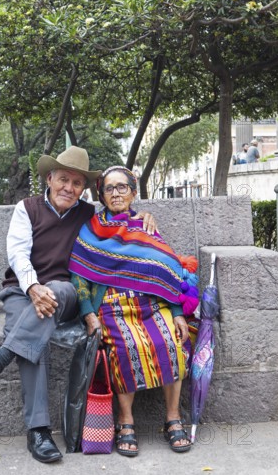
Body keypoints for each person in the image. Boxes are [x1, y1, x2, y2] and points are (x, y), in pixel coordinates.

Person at [0, 147, 156, 464]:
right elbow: (18, 254)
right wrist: (33, 286)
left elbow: (121, 225)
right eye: (63, 179)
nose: (69, 187)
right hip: (22, 292)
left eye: (77, 183)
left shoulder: (89, 215)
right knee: (33, 339)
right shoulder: (27, 208)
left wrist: (144, 217)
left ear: (83, 189)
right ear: (50, 179)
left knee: (58, 289)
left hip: (66, 294)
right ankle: (39, 432)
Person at [69, 166, 200, 457]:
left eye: (122, 187)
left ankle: (172, 418)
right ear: (100, 195)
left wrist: (177, 311)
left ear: (133, 191)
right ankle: (125, 420)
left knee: (173, 341)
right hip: (112, 306)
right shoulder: (90, 229)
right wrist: (89, 313)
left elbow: (165, 271)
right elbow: (79, 274)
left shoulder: (146, 224)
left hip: (152, 304)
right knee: (126, 347)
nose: (116, 193)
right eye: (109, 188)